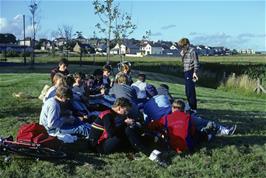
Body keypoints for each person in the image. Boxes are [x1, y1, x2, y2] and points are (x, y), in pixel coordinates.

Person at [178, 38, 199, 111]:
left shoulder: (192, 51)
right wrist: (182, 54)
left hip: (191, 71)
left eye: (183, 46)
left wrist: (195, 73)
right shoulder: (184, 51)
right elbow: (184, 61)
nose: (182, 47)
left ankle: (193, 108)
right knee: (187, 91)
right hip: (186, 71)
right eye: (181, 46)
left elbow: (196, 62)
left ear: (187, 44)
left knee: (190, 91)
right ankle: (190, 106)